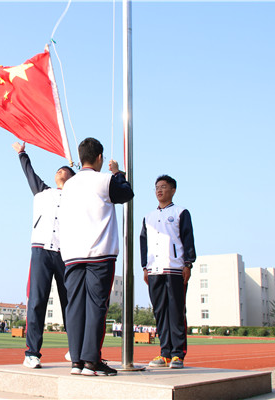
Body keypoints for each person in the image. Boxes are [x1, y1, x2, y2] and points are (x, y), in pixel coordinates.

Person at [59, 137, 134, 376]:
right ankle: (91, 361)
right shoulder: (104, 180)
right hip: (99, 253)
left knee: (74, 307)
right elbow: (127, 193)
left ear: (81, 157)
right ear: (99, 158)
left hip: (73, 254)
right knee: (96, 306)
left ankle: (76, 362)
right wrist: (118, 173)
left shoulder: (69, 185)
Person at [12, 142, 75, 369]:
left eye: (64, 170)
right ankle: (32, 353)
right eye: (58, 170)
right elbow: (29, 173)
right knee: (37, 301)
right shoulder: (43, 192)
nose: (60, 171)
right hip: (41, 251)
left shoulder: (77, 198)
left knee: (70, 303)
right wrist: (22, 154)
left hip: (66, 254)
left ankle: (76, 349)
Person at [140, 174, 196, 369]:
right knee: (160, 312)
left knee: (176, 312)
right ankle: (164, 353)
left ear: (173, 190)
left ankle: (177, 354)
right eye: (157, 187)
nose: (159, 190)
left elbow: (188, 239)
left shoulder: (181, 213)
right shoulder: (148, 217)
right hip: (154, 270)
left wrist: (188, 264)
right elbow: (144, 243)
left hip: (175, 269)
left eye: (163, 187)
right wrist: (145, 267)